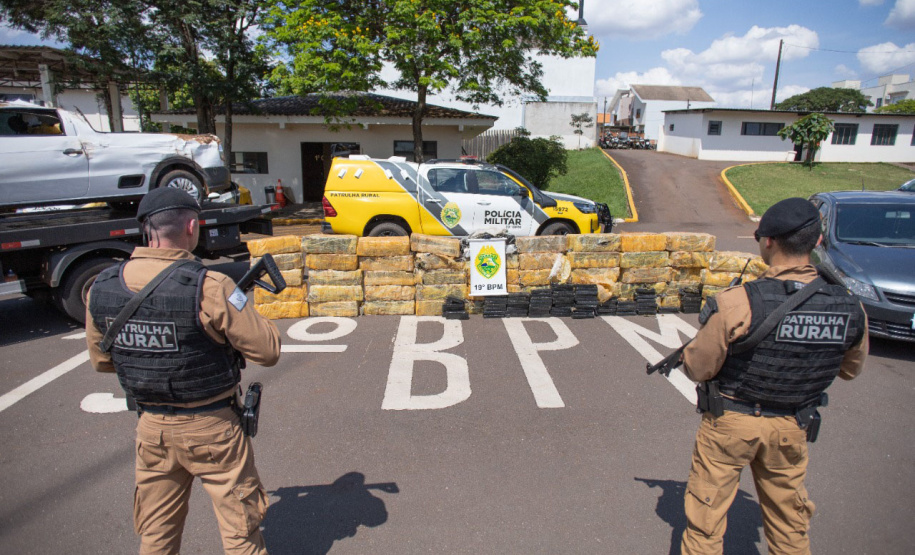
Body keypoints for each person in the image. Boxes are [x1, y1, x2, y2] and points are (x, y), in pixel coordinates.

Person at [85, 187, 282, 555]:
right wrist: (243, 309)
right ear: (192, 226)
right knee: (241, 536)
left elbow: (101, 360)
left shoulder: (102, 286)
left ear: (146, 229)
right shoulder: (211, 286)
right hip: (213, 428)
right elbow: (267, 351)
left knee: (156, 538)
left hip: (152, 430)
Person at [679, 197, 868, 555]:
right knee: (789, 528)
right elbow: (850, 369)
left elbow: (698, 367)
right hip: (791, 427)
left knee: (705, 527)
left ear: (768, 242)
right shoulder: (848, 305)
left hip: (730, 423)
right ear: (817, 241)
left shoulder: (738, 302)